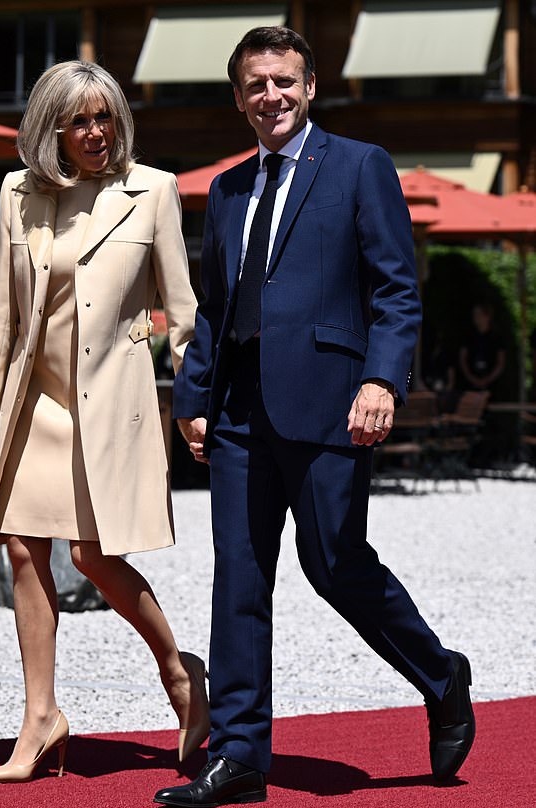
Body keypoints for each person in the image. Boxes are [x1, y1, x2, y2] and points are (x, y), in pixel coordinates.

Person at [154, 27, 475, 807]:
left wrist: (382, 380)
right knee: (239, 577)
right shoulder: (228, 189)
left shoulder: (360, 166)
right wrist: (193, 403)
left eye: (284, 81)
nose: (271, 96)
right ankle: (239, 756)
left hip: (331, 401)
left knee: (333, 563)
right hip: (236, 412)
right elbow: (215, 309)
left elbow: (396, 290)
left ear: (311, 85)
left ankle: (442, 674)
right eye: (256, 84)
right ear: (239, 97)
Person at [0, 60, 208, 783]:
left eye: (106, 117)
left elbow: (183, 313)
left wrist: (193, 405)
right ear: (52, 129)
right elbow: (1, 323)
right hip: (36, 401)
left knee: (95, 557)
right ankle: (41, 718)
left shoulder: (154, 191)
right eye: (80, 121)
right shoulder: (18, 194)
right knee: (25, 552)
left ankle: (182, 671)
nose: (97, 132)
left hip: (111, 402)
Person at [459, 302, 506, 398]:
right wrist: (471, 378)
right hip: (471, 383)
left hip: (492, 385)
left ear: (487, 316)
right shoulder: (469, 336)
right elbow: (463, 359)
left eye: (479, 314)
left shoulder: (496, 337)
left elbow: (500, 362)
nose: (476, 318)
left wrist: (488, 379)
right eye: (475, 314)